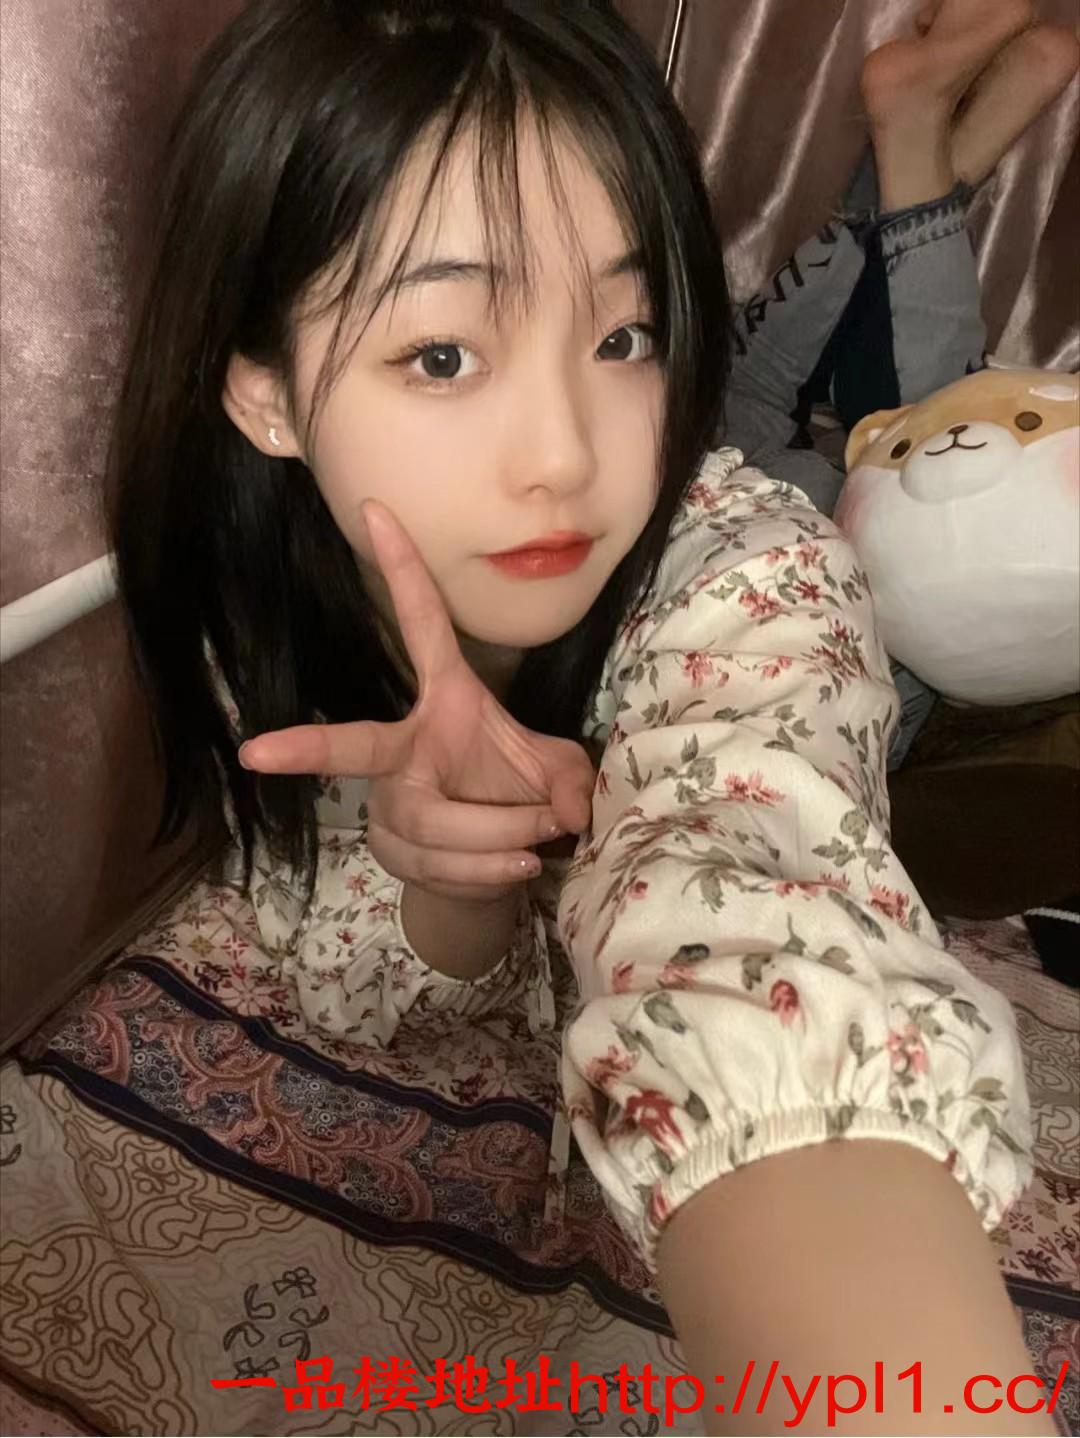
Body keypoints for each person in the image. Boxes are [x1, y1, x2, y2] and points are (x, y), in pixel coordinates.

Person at [109, 0, 1078, 1431]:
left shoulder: (761, 570)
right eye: (444, 356)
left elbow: (750, 883)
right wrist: (450, 875)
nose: (564, 453)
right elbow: (345, 978)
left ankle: (914, 157)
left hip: (845, 609)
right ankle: (913, 152)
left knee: (907, 426)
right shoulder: (248, 604)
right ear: (265, 396)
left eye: (625, 334)